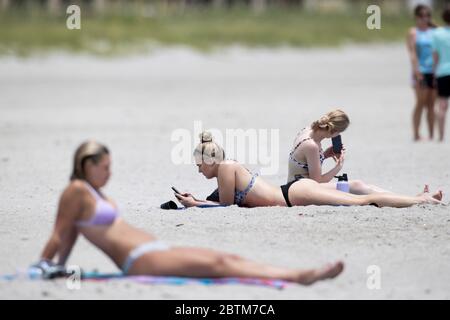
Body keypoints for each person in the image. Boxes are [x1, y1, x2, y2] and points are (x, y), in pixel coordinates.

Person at [34, 140, 344, 285]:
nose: (109, 173)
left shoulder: (89, 194)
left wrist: (62, 264)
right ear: (87, 166)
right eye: (105, 168)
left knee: (224, 259)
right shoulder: (75, 192)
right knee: (220, 263)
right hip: (139, 258)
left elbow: (72, 234)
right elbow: (61, 233)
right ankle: (298, 276)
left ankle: (294, 274)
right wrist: (48, 264)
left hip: (152, 248)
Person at [176, 132, 443, 208]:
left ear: (209, 160)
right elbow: (221, 200)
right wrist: (198, 200)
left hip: (295, 195)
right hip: (294, 190)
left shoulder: (224, 168)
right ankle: (414, 195)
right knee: (357, 186)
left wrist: (194, 204)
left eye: (199, 164)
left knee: (362, 199)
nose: (198, 170)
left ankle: (420, 199)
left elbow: (225, 206)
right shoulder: (229, 166)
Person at [287, 109, 390, 195]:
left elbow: (303, 162)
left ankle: (391, 196)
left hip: (295, 186)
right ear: (334, 131)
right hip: (299, 191)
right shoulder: (312, 146)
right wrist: (338, 167)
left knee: (361, 186)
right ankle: (392, 198)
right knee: (357, 186)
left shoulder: (307, 130)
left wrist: (325, 155)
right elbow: (317, 182)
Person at [406, 4, 437, 141]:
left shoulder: (434, 31)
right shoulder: (413, 32)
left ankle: (431, 134)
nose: (425, 19)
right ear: (417, 17)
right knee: (420, 103)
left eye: (427, 16)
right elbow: (412, 52)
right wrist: (416, 70)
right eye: (422, 16)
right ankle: (416, 134)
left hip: (434, 71)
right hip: (421, 71)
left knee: (431, 104)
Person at [432, 6, 450, 142]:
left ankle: (441, 135)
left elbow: (435, 57)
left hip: (443, 72)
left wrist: (434, 75)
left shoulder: (437, 33)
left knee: (442, 105)